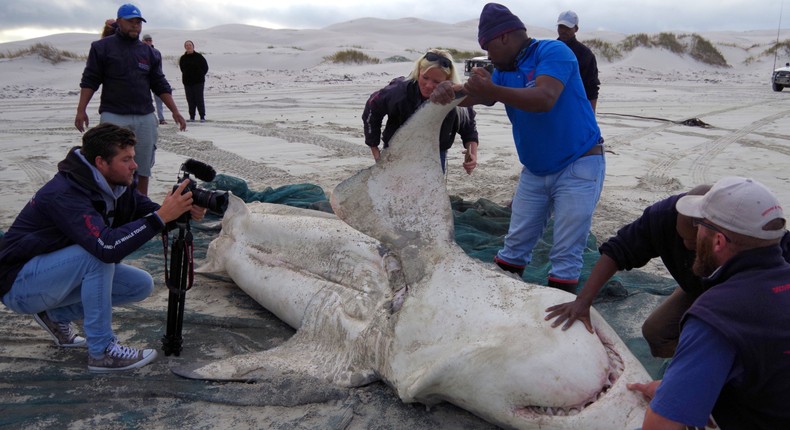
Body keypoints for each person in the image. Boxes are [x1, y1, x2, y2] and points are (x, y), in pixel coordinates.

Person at [0, 123, 205, 372]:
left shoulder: (117, 185)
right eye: (126, 159)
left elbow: (148, 214)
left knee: (139, 285)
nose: (135, 165)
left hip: (51, 277)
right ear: (100, 162)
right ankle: (102, 352)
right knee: (98, 256)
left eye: (133, 157)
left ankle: (54, 316)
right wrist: (161, 217)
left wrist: (178, 211)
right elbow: (108, 248)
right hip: (17, 284)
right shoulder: (65, 193)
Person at [431, 3, 604, 293]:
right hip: (535, 171)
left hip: (579, 164)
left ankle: (558, 323)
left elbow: (544, 97)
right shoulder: (503, 70)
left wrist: (493, 91)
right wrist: (445, 93)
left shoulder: (554, 52)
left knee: (565, 253)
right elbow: (470, 97)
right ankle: (506, 307)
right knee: (514, 247)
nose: (488, 56)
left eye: (488, 48)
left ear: (504, 37)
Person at [627, 176, 790, 429]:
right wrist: (681, 388)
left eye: (700, 224)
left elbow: (660, 426)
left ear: (718, 241)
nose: (693, 234)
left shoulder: (717, 316)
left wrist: (673, 403)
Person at [544, 185, 710, 358]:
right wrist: (583, 300)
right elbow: (618, 249)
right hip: (695, 285)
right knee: (656, 331)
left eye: (692, 243)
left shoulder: (736, 235)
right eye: (681, 237)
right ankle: (681, 370)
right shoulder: (662, 216)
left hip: (732, 293)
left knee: (715, 340)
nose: (684, 245)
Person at [75, 3, 187, 197]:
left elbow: (159, 84)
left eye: (138, 22)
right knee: (111, 165)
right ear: (119, 22)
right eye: (130, 22)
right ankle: (111, 205)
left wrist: (175, 111)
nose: (135, 26)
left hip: (145, 116)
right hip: (113, 115)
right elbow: (90, 79)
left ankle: (140, 206)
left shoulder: (150, 53)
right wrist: (81, 109)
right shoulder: (101, 48)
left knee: (142, 166)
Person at [362, 49, 480, 174]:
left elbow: (469, 128)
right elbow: (372, 108)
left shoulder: (457, 99)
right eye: (425, 77)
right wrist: (375, 151)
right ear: (418, 72)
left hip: (434, 154)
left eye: (436, 82)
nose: (428, 85)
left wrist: (471, 154)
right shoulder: (398, 91)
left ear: (448, 79)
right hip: (396, 152)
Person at [556, 10, 600, 112]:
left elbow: (592, 88)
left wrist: (590, 116)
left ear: (576, 29)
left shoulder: (585, 54)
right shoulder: (549, 50)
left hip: (575, 107)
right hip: (552, 106)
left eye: (568, 27)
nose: (563, 31)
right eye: (561, 27)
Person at [179, 40, 209, 123]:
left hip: (198, 82)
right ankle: (192, 116)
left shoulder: (199, 56)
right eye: (187, 45)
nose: (188, 46)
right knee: (190, 100)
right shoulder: (183, 58)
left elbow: (205, 67)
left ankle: (202, 116)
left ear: (193, 46)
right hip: (187, 82)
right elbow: (182, 68)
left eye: (190, 45)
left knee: (199, 99)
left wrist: (200, 75)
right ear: (185, 47)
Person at [142, 34, 167, 125]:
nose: (148, 41)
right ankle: (147, 118)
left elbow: (159, 66)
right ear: (143, 41)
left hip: (155, 78)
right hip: (143, 79)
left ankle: (161, 118)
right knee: (145, 99)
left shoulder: (156, 52)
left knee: (159, 99)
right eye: (146, 40)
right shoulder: (139, 51)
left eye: (150, 40)